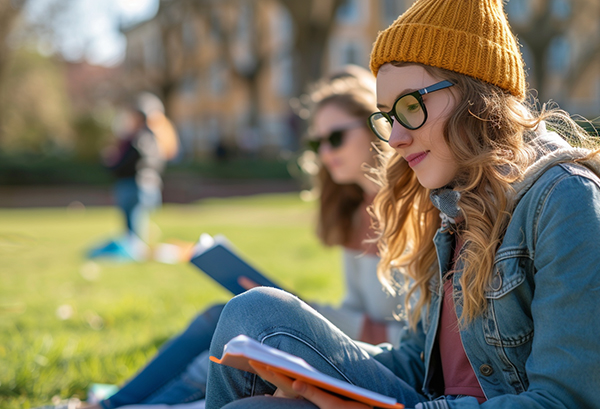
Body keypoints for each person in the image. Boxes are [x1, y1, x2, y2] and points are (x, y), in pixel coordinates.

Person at [203, 1, 600, 408]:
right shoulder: (451, 208)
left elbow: (565, 399)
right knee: (252, 324)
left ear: (476, 97)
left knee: (253, 357)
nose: (393, 139)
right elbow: (418, 364)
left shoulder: (564, 200)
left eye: (411, 107)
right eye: (387, 116)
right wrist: (314, 375)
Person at [73, 65, 406, 409]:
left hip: (387, 366)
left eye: (335, 137)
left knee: (238, 332)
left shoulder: (415, 211)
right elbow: (356, 311)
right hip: (356, 347)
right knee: (224, 317)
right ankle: (110, 404)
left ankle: (112, 406)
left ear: (375, 126)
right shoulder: (355, 213)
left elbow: (417, 344)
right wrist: (293, 309)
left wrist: (293, 312)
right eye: (316, 141)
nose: (324, 152)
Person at [89, 93, 172, 261]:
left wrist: (111, 164)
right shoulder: (154, 138)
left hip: (135, 185)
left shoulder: (140, 138)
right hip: (144, 185)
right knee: (135, 226)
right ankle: (135, 251)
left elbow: (129, 162)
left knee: (133, 227)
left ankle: (135, 254)